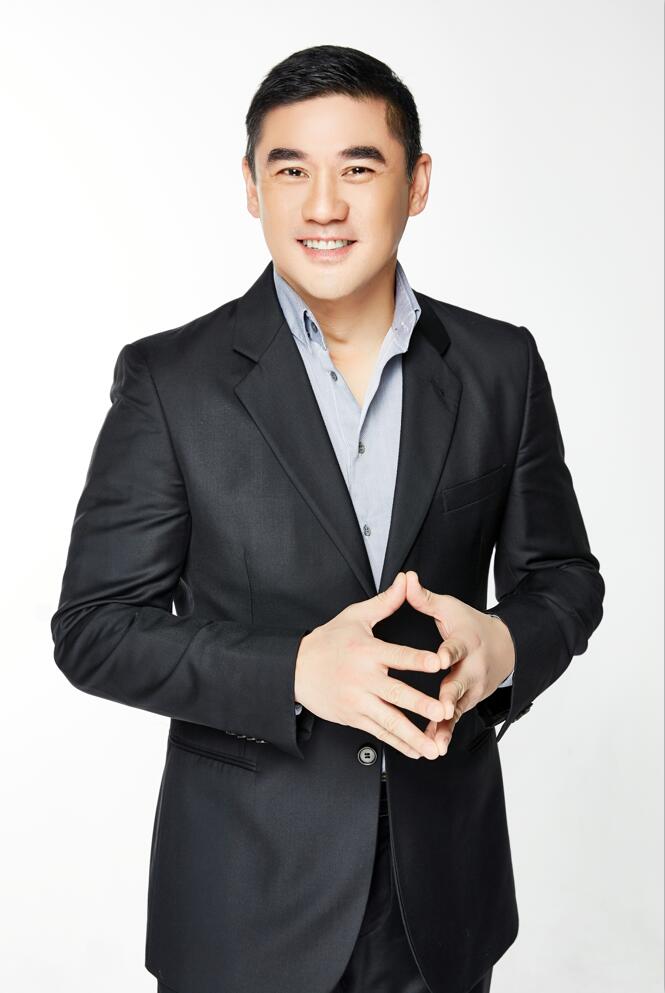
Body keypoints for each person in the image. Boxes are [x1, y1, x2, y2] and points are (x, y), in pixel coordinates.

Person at [51, 44, 605, 993]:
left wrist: (502, 646)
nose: (322, 206)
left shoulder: (498, 366)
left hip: (442, 901)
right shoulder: (170, 382)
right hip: (243, 902)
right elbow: (94, 628)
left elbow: (564, 579)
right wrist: (297, 672)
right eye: (289, 171)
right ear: (251, 186)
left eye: (357, 168)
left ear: (415, 183)